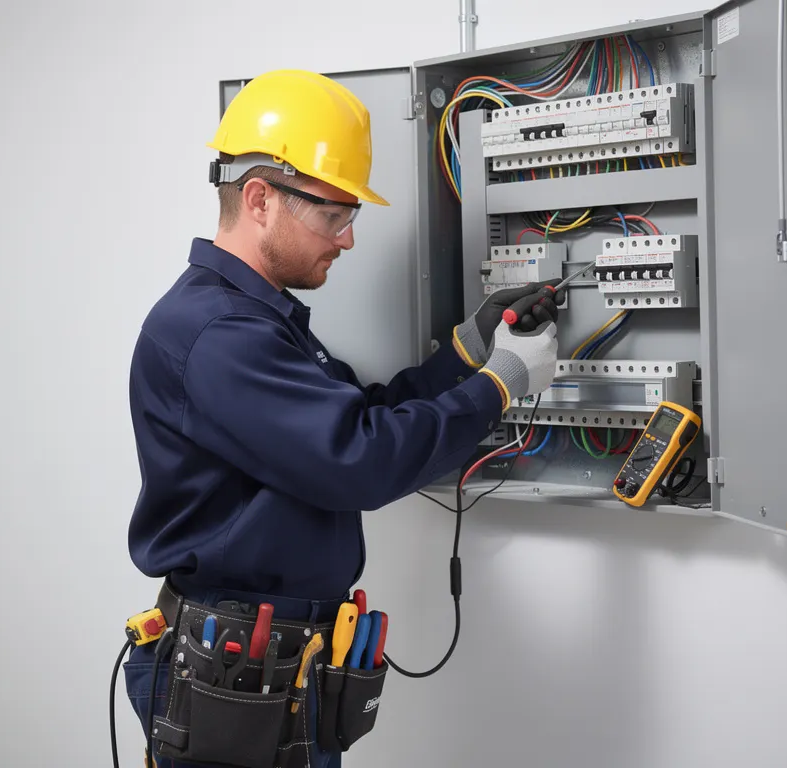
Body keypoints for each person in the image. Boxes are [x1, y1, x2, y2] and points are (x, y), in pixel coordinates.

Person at [121, 68, 559, 768]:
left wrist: (466, 352)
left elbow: (358, 417)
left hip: (276, 666)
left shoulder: (257, 320)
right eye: (334, 216)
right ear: (260, 199)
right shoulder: (219, 333)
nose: (348, 239)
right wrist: (498, 387)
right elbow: (358, 459)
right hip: (234, 674)